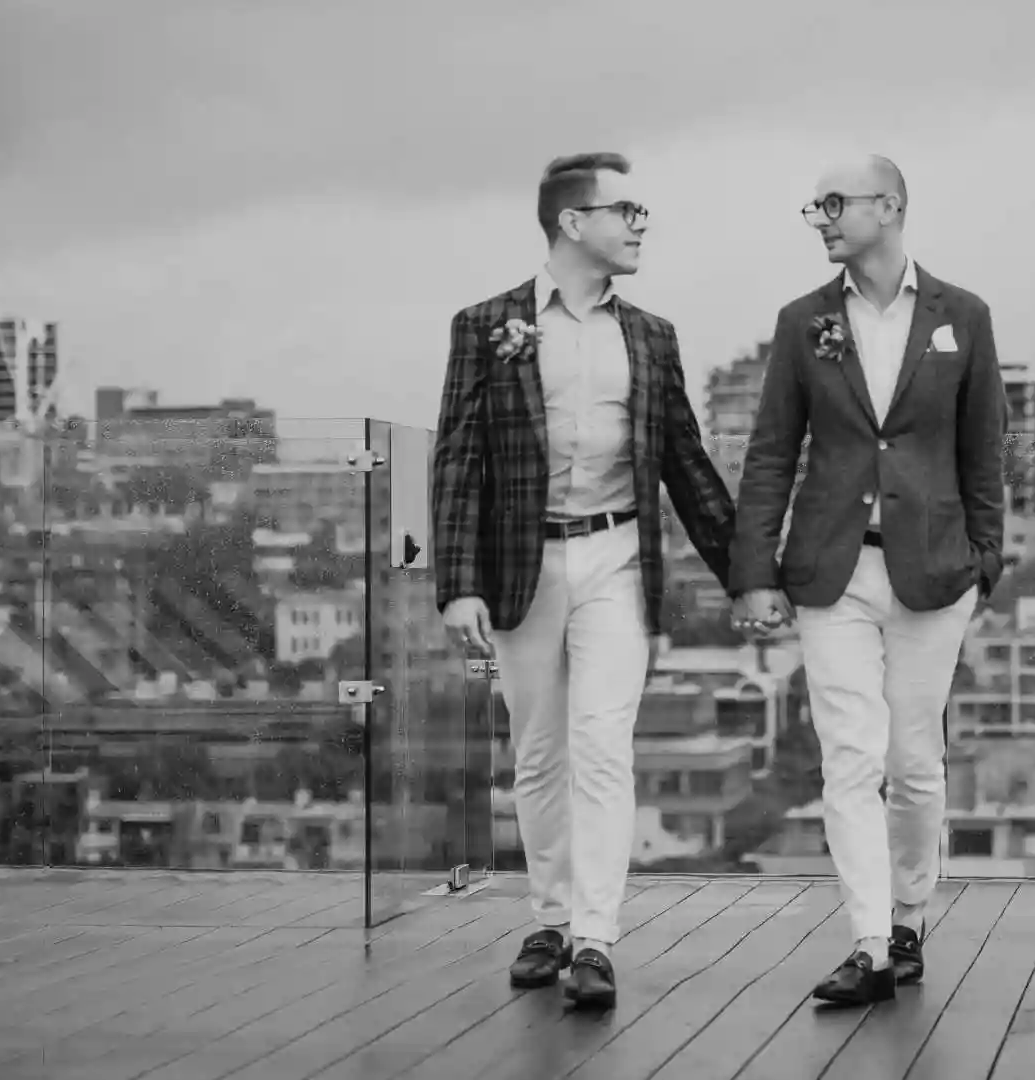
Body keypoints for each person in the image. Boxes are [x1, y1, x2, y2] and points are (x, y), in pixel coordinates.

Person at [431, 152, 736, 1010]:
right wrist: (458, 583)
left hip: (617, 557)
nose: (641, 224)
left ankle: (595, 939)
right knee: (537, 752)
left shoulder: (651, 334)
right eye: (625, 209)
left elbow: (685, 462)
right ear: (572, 222)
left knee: (601, 745)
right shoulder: (483, 325)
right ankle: (550, 920)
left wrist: (746, 575)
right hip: (522, 565)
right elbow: (457, 457)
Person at [728, 155, 1008, 1005]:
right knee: (850, 759)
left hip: (933, 571)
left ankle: (909, 915)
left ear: (888, 207)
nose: (818, 217)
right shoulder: (802, 321)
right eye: (814, 205)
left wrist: (984, 565)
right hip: (831, 570)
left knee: (915, 763)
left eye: (834, 203)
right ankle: (868, 941)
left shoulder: (964, 315)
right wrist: (752, 571)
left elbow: (982, 450)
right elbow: (772, 449)